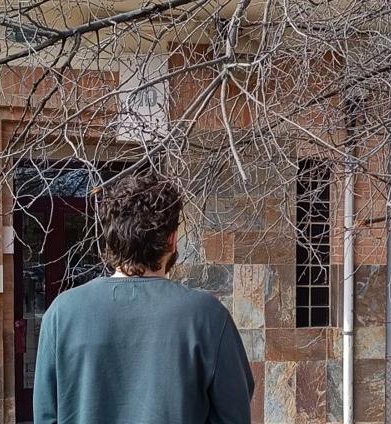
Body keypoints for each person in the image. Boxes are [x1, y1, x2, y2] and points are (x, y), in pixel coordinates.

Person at [33, 173, 254, 424]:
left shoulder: (61, 313)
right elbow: (233, 414)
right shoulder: (208, 317)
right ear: (171, 239)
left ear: (110, 237)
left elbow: (46, 415)